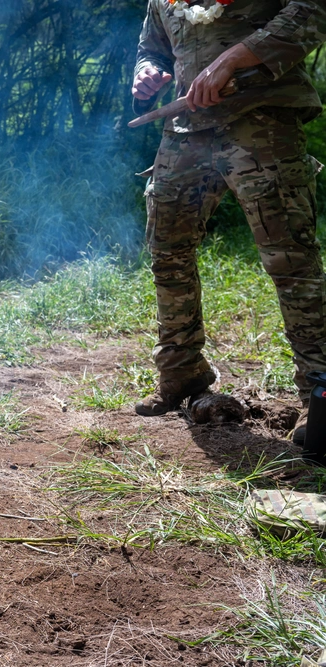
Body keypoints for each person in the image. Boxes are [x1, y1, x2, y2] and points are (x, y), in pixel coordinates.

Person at [131, 0, 326, 438]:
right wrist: (146, 72)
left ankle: (320, 394)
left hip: (262, 121)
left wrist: (235, 57)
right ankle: (182, 374)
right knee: (168, 252)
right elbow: (153, 47)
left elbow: (312, 11)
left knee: (290, 259)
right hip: (185, 129)